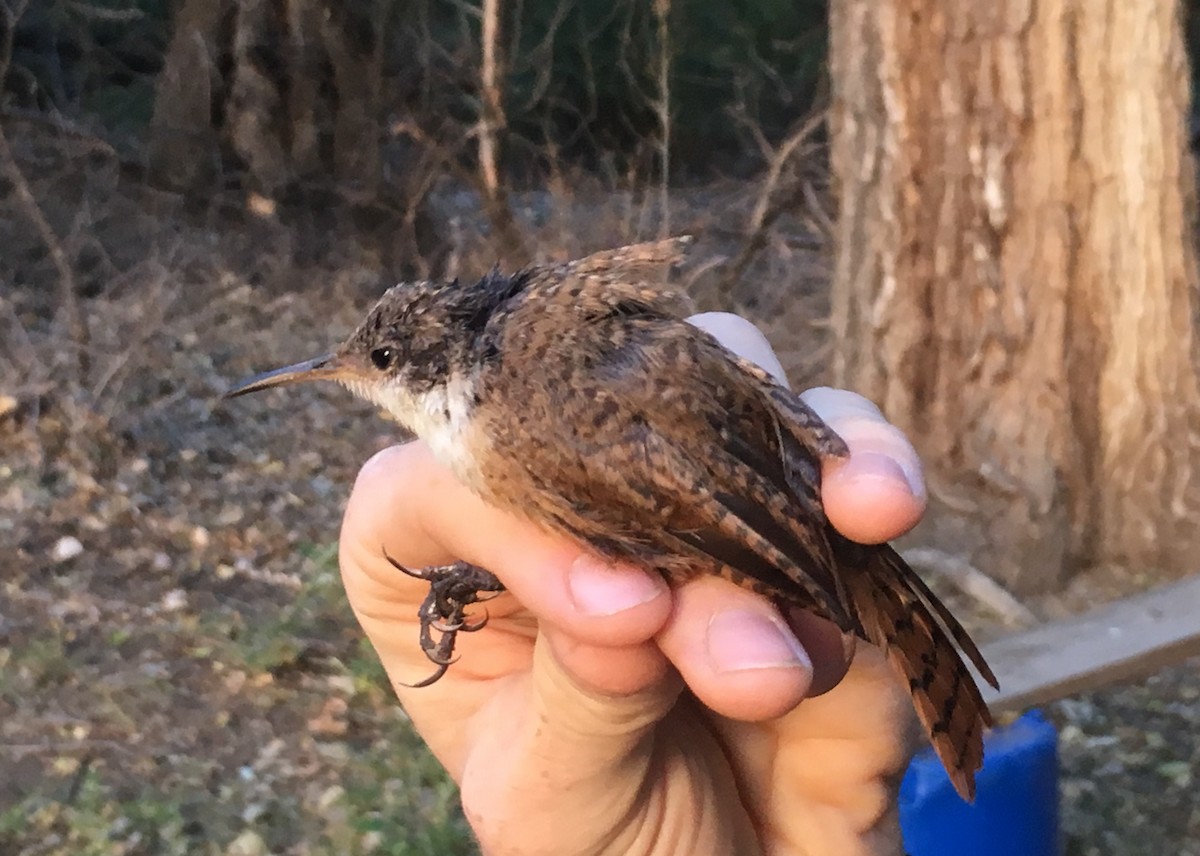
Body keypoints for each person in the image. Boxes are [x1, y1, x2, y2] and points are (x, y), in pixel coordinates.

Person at [337, 313, 926, 855]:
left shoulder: (506, 411)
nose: (351, 373)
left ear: (438, 360)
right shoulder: (496, 415)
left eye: (383, 358)